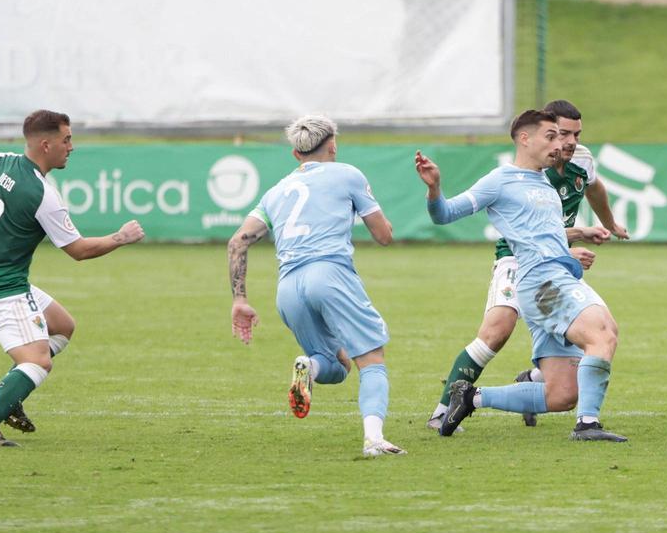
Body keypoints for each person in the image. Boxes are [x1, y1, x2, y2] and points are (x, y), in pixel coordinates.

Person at [415, 109, 628, 442]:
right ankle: (587, 425)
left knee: (561, 394)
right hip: (542, 280)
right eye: (552, 136)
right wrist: (434, 189)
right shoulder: (500, 180)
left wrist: (573, 243)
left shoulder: (543, 181)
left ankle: (470, 396)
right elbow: (444, 214)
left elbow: (540, 232)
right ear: (525, 139)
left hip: (555, 277)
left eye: (563, 137)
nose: (560, 144)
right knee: (603, 333)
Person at [227, 115, 404, 457]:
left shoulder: (275, 192)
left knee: (335, 366)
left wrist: (240, 299)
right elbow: (383, 236)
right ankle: (374, 439)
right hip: (329, 274)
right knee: (371, 360)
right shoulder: (348, 174)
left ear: (296, 154)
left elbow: (237, 242)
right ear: (333, 146)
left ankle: (309, 368)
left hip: (288, 287)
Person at [0, 110, 145, 448]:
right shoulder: (42, 196)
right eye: (66, 140)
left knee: (62, 325)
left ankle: (9, 390)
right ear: (45, 144)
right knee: (38, 361)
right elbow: (79, 250)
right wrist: (120, 237)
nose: (72, 147)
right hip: (2, 288)